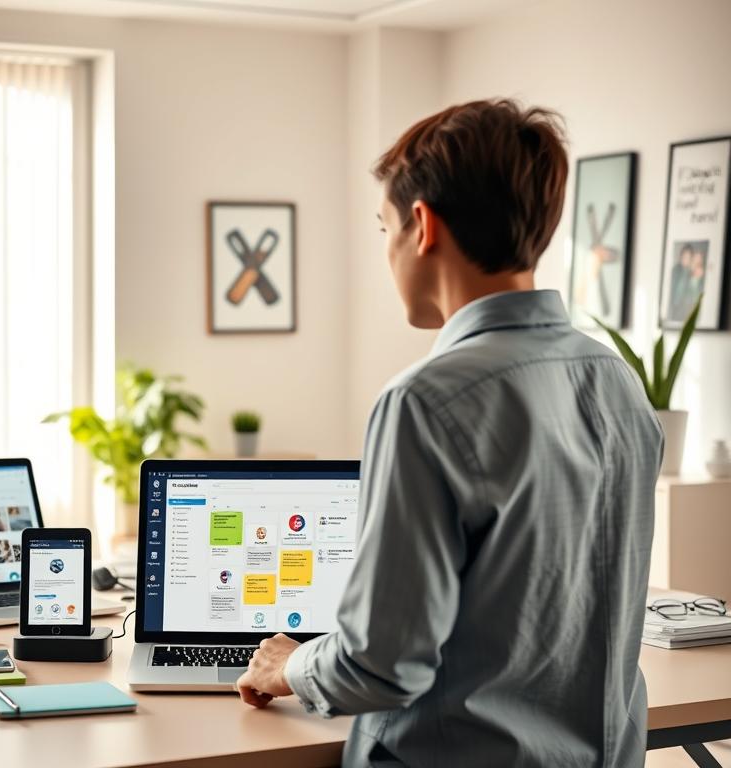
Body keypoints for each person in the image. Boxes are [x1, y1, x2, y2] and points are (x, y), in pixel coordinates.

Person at [236, 99, 663, 766]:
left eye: (384, 228)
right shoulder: (617, 380)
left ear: (421, 225)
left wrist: (288, 668)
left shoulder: (425, 402)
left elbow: (381, 666)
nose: (386, 252)